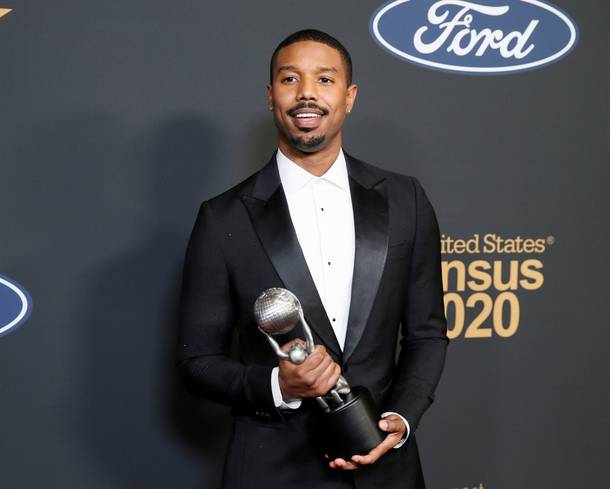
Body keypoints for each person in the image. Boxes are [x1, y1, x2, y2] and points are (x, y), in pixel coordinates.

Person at [177, 29, 448, 489]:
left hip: (387, 467)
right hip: (274, 469)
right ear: (270, 96)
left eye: (325, 79)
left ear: (349, 96)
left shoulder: (406, 200)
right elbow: (197, 361)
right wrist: (279, 387)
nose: (307, 93)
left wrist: (399, 422)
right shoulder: (224, 217)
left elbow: (427, 334)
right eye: (290, 79)